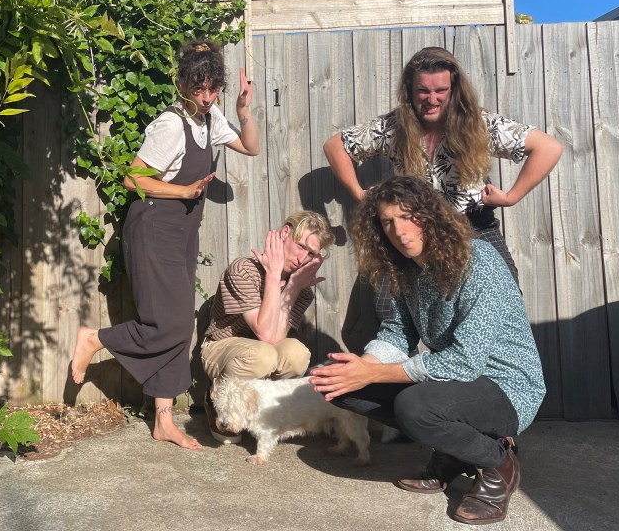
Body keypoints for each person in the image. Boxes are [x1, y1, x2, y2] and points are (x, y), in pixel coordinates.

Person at [310, 176, 545, 525]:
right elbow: (397, 333)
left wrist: (374, 372)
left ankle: (498, 462)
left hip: (507, 387)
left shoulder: (478, 262)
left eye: (409, 216)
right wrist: (361, 368)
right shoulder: (406, 271)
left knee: (415, 407)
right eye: (388, 221)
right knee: (337, 384)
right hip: (452, 383)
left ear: (431, 215)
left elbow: (465, 361)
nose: (399, 230)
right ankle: (455, 452)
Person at [70, 39, 260, 450]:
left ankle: (163, 422)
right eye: (198, 88)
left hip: (181, 233)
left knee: (179, 324)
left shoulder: (210, 119)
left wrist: (243, 110)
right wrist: (184, 191)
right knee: (169, 323)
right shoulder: (171, 125)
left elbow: (251, 147)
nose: (206, 97)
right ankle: (95, 339)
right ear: (182, 84)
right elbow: (133, 178)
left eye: (213, 89)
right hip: (153, 227)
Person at [323, 46, 562, 348]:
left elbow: (548, 147)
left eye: (440, 91)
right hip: (412, 228)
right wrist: (359, 193)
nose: (432, 99)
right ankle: (391, 370)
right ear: (409, 90)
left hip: (472, 225)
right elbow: (336, 146)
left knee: (504, 291)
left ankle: (492, 371)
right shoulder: (393, 128)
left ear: (454, 88)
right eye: (423, 91)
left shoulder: (479, 124)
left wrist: (512, 196)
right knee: (385, 305)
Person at [200, 211, 335, 442]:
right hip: (220, 348)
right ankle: (217, 399)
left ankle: (258, 407)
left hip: (262, 350)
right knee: (262, 355)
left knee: (297, 354)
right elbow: (264, 333)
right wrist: (273, 276)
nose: (303, 258)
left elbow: (275, 337)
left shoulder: (301, 288)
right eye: (301, 246)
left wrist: (292, 288)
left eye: (311, 253)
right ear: (285, 233)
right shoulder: (244, 270)